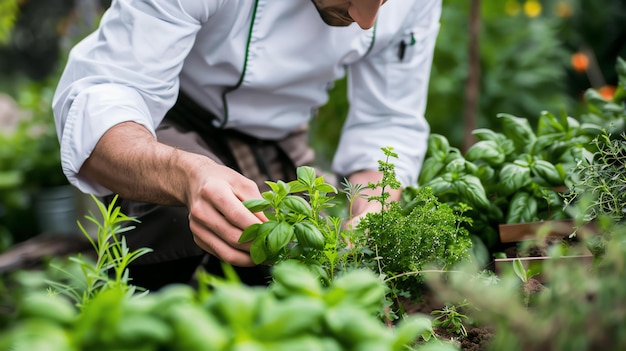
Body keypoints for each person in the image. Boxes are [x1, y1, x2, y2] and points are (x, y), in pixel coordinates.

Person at [52, 0, 442, 290]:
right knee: (174, 234)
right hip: (168, 118)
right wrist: (186, 175)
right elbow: (101, 101)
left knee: (303, 269)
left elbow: (386, 120)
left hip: (282, 133)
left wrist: (373, 210)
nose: (366, 20)